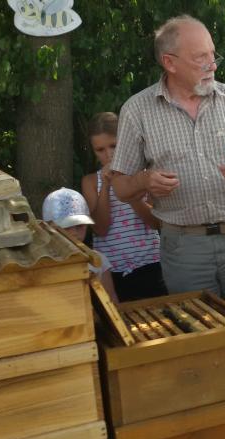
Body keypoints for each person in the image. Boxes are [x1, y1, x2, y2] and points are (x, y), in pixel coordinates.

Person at [109, 15, 225, 425]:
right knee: (201, 346)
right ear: (169, 62)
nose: (212, 65)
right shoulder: (138, 110)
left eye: (213, 55)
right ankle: (224, 433)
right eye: (201, 58)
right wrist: (145, 180)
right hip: (183, 246)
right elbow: (121, 186)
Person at [80, 112, 166, 302]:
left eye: (113, 146)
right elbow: (100, 229)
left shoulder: (143, 175)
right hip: (112, 271)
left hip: (150, 263)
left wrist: (128, 191)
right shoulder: (91, 181)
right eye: (100, 150)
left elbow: (155, 223)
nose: (109, 155)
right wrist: (107, 186)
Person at [42, 187, 120, 303]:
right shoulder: (43, 264)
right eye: (66, 227)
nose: (74, 232)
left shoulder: (99, 260)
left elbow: (112, 301)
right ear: (49, 229)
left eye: (80, 226)